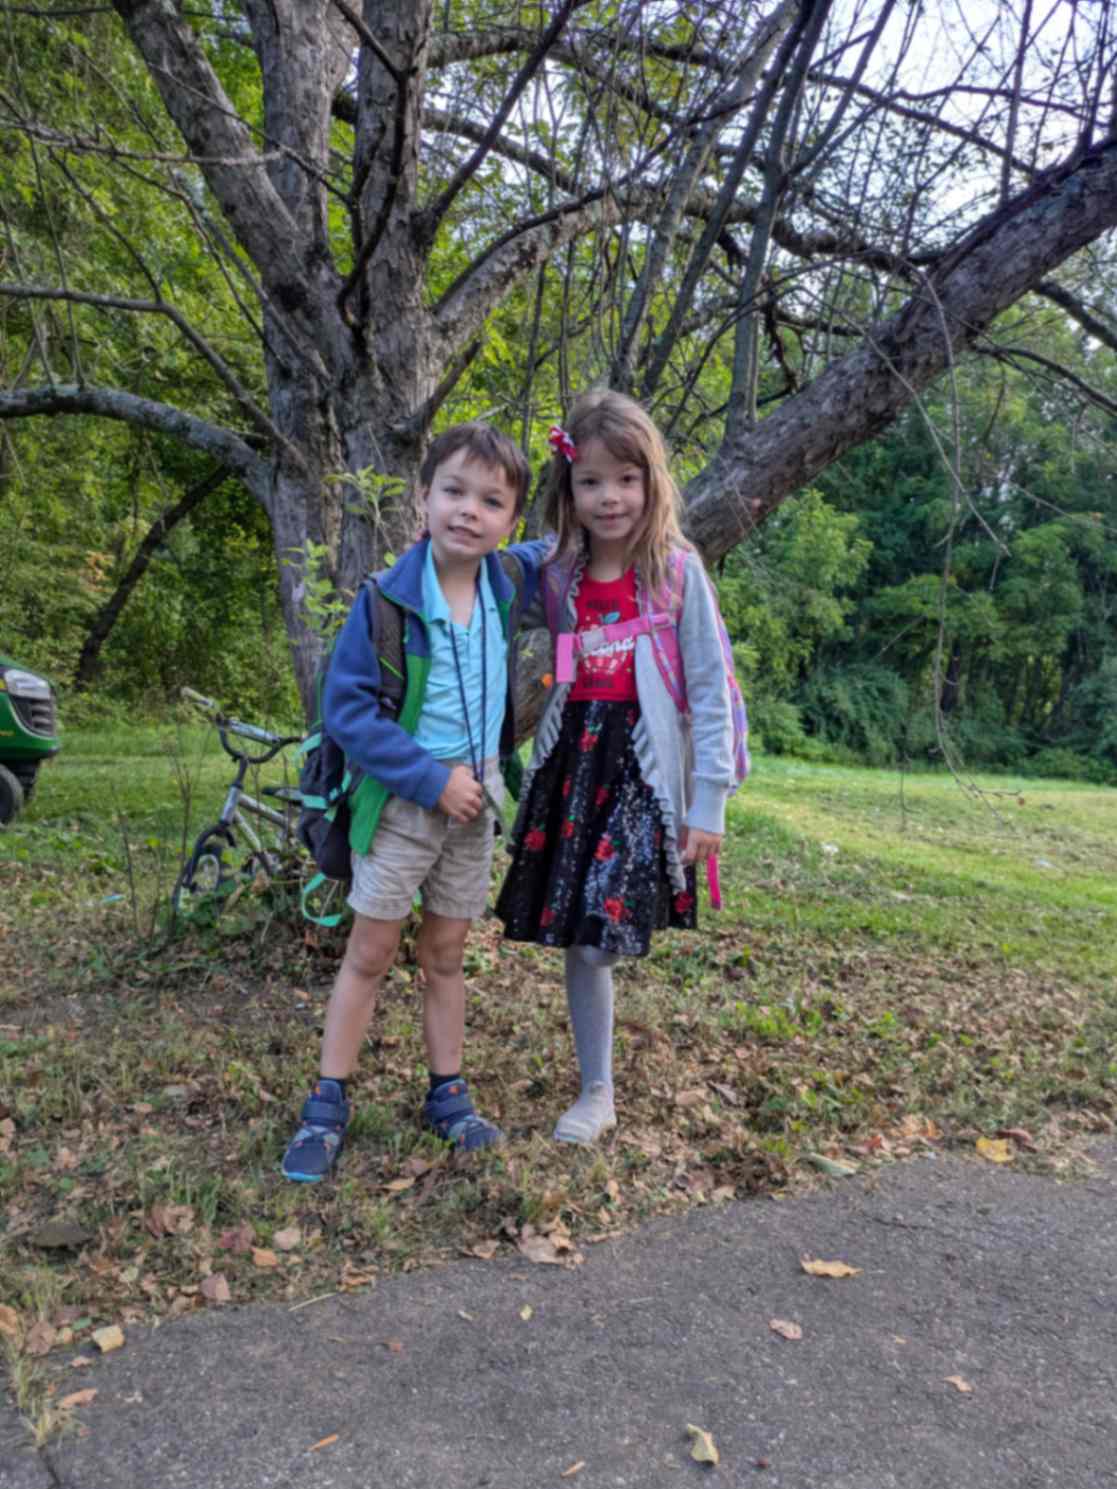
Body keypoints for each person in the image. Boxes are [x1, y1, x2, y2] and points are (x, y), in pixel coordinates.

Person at [282, 424, 546, 1182]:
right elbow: (350, 713)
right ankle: (327, 1102)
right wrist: (431, 779)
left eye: (491, 500)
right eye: (454, 491)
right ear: (423, 497)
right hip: (404, 806)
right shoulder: (385, 602)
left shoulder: (509, 583)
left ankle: (448, 1096)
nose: (469, 510)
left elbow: (579, 545)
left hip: (475, 811)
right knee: (368, 953)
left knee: (446, 955)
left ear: (511, 521)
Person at [496, 390, 735, 1145]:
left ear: (651, 483)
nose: (610, 497)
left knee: (604, 929)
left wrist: (710, 801)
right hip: (573, 759)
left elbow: (709, 681)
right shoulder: (557, 573)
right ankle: (595, 1088)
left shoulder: (674, 570)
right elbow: (482, 592)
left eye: (626, 479)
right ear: (568, 490)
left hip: (644, 766)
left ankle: (603, 1064)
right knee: (579, 931)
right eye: (591, 480)